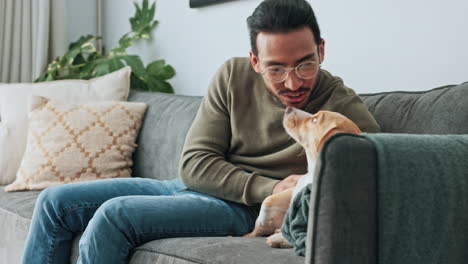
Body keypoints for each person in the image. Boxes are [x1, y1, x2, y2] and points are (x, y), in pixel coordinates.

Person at [22, 0, 380, 263]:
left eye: (305, 64)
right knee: (54, 203)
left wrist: (288, 195)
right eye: (275, 69)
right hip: (194, 187)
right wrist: (270, 185)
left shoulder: (339, 106)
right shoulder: (231, 76)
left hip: (244, 210)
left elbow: (378, 166)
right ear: (254, 61)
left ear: (321, 50)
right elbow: (194, 165)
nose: (292, 82)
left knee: (114, 216)